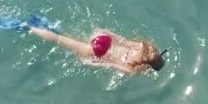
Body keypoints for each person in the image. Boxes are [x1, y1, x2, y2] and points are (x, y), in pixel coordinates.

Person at [26, 22, 167, 75]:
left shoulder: (142, 46)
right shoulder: (133, 69)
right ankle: (30, 28)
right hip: (99, 52)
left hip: (105, 40)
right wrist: (92, 64)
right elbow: (110, 65)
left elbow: (123, 41)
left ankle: (52, 28)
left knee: (72, 40)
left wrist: (106, 32)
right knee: (60, 41)